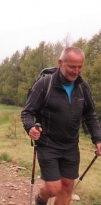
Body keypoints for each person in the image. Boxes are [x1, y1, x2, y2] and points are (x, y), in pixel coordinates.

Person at [21, 47, 101, 205]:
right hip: (48, 144)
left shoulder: (83, 86)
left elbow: (90, 115)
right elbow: (27, 112)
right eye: (72, 66)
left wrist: (98, 139)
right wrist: (30, 127)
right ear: (60, 63)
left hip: (71, 145)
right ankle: (41, 199)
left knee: (67, 187)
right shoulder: (44, 84)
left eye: (80, 67)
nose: (76, 71)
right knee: (54, 188)